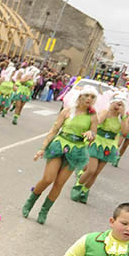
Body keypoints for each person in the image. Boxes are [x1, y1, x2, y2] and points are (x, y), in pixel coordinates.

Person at [21, 85, 98, 224]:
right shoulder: (68, 111)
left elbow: (94, 135)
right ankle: (30, 202)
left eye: (92, 97)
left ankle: (44, 211)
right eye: (87, 95)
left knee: (59, 184)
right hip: (59, 146)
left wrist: (90, 134)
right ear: (80, 97)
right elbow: (54, 130)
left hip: (76, 151)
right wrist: (42, 148)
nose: (89, 99)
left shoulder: (92, 116)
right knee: (48, 179)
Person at [70, 92, 129, 204]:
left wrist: (123, 116)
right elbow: (98, 123)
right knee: (91, 169)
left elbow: (124, 132)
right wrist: (109, 110)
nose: (118, 106)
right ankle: (78, 186)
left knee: (96, 172)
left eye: (121, 104)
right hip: (97, 142)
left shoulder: (123, 118)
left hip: (109, 146)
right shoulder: (105, 112)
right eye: (117, 103)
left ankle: (85, 191)